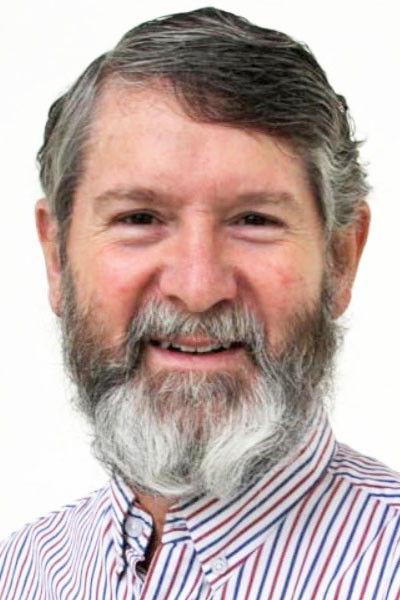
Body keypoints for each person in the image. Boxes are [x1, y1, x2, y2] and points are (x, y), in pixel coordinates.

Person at [0, 6, 399, 598]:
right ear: (56, 256)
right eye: (139, 218)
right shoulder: (24, 569)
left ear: (341, 259)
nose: (198, 286)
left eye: (254, 220)